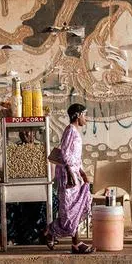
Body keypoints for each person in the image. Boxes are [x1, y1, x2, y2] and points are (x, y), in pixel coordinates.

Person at [45, 103, 95, 254]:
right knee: (69, 210)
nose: (86, 118)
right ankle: (52, 231)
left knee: (77, 207)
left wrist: (82, 173)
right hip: (69, 176)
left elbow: (75, 157)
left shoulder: (74, 131)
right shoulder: (70, 131)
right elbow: (66, 155)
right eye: (84, 115)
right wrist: (71, 175)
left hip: (74, 173)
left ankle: (74, 242)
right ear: (78, 115)